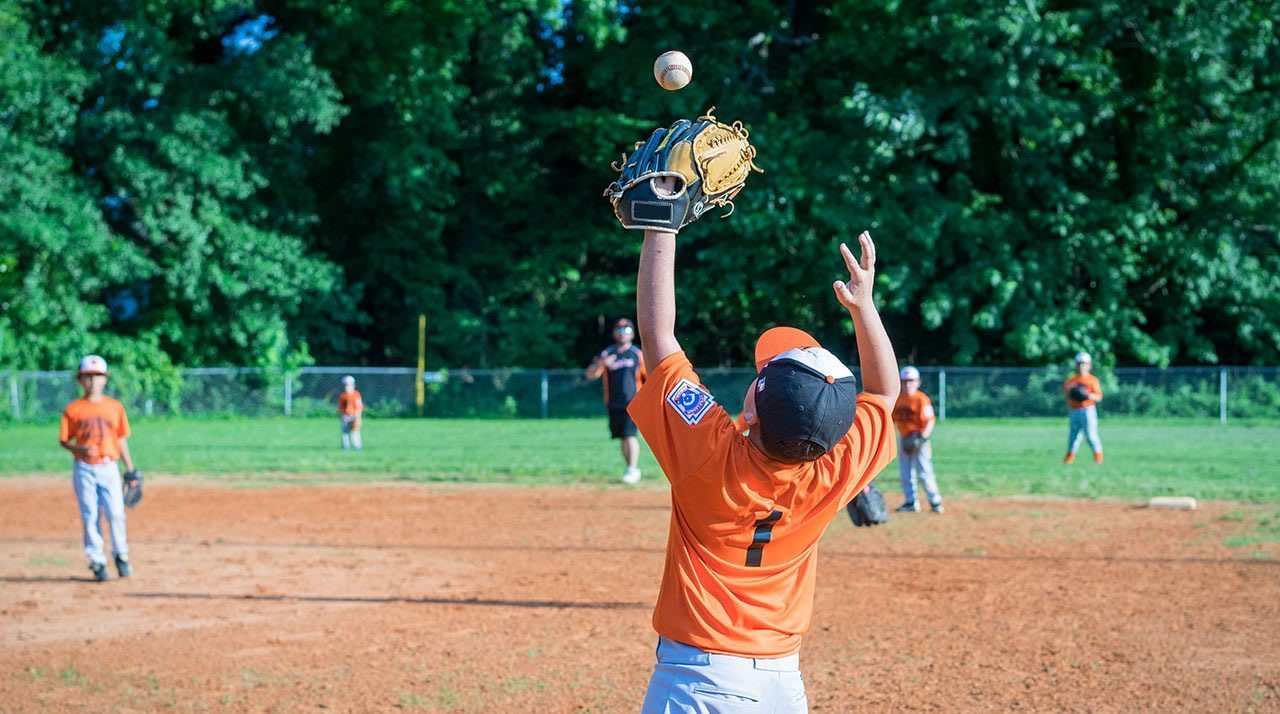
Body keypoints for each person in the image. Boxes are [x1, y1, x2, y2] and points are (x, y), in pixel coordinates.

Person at [630, 225, 898, 713]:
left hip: (696, 682)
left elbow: (658, 335)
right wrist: (865, 308)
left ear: (751, 409)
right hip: (781, 685)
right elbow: (882, 394)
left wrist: (659, 225)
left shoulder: (709, 453)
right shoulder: (834, 474)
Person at [58, 355, 138, 582]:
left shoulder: (114, 407)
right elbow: (64, 440)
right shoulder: (73, 409)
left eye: (98, 376)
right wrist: (79, 449)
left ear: (105, 380)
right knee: (90, 514)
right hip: (83, 468)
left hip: (109, 466)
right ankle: (97, 560)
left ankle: (121, 554)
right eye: (88, 377)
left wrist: (130, 468)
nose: (93, 381)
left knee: (116, 513)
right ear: (80, 380)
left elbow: (121, 439)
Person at [585, 318, 647, 483]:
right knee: (622, 436)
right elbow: (590, 375)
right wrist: (602, 364)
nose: (623, 333)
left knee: (630, 435)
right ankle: (630, 469)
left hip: (633, 402)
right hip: (613, 402)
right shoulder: (607, 354)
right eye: (619, 330)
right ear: (614, 333)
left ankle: (633, 469)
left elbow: (649, 377)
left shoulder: (637, 354)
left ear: (633, 333)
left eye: (626, 330)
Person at [892, 366, 943, 513]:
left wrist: (922, 438)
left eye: (911, 381)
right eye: (905, 381)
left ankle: (935, 502)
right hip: (904, 438)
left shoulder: (921, 399)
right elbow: (892, 419)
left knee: (924, 471)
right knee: (905, 472)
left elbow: (930, 421)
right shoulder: (898, 399)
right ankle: (911, 502)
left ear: (918, 382)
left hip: (920, 439)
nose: (908, 384)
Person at [1062, 351, 1103, 464]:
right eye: (1079, 363)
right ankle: (1069, 458)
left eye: (1084, 363)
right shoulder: (1071, 380)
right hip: (1074, 409)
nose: (1081, 366)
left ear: (1089, 365)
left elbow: (1099, 397)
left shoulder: (1092, 380)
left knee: (1090, 435)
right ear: (1076, 365)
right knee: (1073, 435)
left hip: (1087, 410)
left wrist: (1087, 395)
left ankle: (1098, 457)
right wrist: (1072, 393)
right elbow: (1066, 394)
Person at [338, 375, 364, 451]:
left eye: (349, 385)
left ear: (353, 385)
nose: (347, 387)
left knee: (355, 432)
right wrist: (343, 415)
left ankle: (357, 447)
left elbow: (359, 407)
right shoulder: (343, 396)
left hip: (354, 416)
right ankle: (345, 447)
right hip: (345, 417)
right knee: (345, 433)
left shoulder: (356, 395)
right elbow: (341, 407)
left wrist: (358, 417)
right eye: (346, 385)